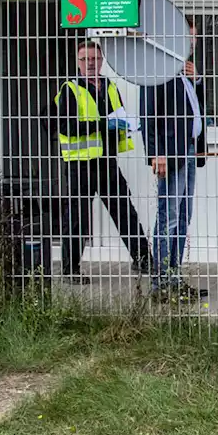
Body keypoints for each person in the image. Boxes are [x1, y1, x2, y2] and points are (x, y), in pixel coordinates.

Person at [54, 40, 152, 284]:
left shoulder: (108, 86)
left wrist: (127, 124)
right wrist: (102, 124)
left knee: (124, 211)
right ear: (77, 62)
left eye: (95, 59)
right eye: (85, 59)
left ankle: (143, 259)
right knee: (78, 219)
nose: (90, 64)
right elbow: (65, 126)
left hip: (107, 161)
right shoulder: (70, 89)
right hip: (81, 164)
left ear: (102, 61)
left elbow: (117, 114)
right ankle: (70, 270)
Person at [140, 14, 208, 303]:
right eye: (187, 36)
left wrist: (198, 81)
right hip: (170, 154)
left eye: (194, 38)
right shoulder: (159, 68)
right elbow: (148, 114)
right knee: (168, 218)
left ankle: (174, 277)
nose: (191, 43)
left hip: (189, 151)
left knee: (182, 216)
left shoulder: (183, 71)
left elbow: (194, 111)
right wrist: (156, 153)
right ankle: (160, 284)